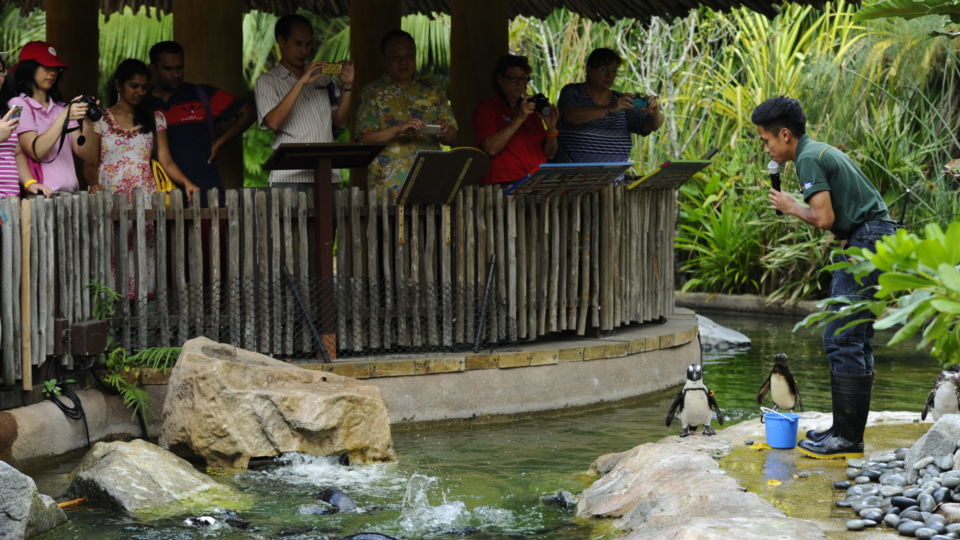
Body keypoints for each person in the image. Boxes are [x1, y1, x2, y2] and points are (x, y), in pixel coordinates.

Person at [751, 96, 897, 459]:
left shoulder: (808, 158)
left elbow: (824, 218)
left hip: (866, 241)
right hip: (874, 238)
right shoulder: (815, 151)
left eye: (766, 140)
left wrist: (790, 206)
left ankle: (847, 438)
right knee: (854, 338)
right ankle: (844, 431)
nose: (766, 147)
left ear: (785, 134)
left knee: (843, 338)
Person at [144, 41, 254, 206]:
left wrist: (219, 143)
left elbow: (248, 112)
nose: (176, 74)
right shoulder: (143, 103)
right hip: (159, 192)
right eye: (168, 69)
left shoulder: (202, 95)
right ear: (153, 69)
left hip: (205, 187)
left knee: (214, 231)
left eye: (180, 68)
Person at [255, 13, 354, 188]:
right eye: (298, 43)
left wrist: (347, 86)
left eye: (308, 44)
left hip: (326, 173)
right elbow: (274, 122)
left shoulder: (322, 79)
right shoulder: (267, 81)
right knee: (290, 217)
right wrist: (301, 82)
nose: (304, 51)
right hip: (289, 177)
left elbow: (340, 122)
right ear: (281, 41)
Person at [355, 29, 458, 194]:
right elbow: (364, 139)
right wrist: (397, 129)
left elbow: (454, 138)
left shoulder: (432, 90)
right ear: (384, 59)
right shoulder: (372, 92)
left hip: (430, 181)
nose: (404, 62)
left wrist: (444, 130)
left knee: (431, 220)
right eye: (396, 57)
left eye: (409, 55)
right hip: (387, 185)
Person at [85, 59, 198, 200]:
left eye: (144, 87)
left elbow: (166, 161)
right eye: (134, 86)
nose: (140, 92)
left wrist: (186, 183)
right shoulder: (100, 119)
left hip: (145, 198)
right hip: (107, 196)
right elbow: (90, 164)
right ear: (118, 85)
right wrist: (94, 184)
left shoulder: (156, 118)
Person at [8, 41, 96, 194]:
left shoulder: (61, 108)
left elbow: (86, 155)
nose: (53, 72)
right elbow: (36, 151)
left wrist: (88, 121)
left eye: (56, 68)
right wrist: (64, 117)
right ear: (29, 68)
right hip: (40, 198)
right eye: (46, 66)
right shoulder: (17, 105)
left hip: (70, 197)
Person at [556, 47, 663, 163]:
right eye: (603, 69)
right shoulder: (573, 91)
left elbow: (651, 126)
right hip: (573, 177)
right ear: (589, 69)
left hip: (612, 177)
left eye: (614, 70)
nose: (609, 75)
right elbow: (570, 117)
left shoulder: (621, 101)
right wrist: (609, 109)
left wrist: (654, 112)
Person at [473, 55, 559, 185]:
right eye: (513, 78)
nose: (519, 83)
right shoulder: (488, 108)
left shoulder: (533, 112)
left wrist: (552, 129)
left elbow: (550, 154)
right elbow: (491, 148)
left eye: (524, 78)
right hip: (504, 183)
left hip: (536, 181)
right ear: (500, 80)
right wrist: (520, 117)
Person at [0, 52, 51, 198]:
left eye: (0, 71)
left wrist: (29, 183)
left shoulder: (9, 110)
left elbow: (16, 152)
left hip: (10, 201)